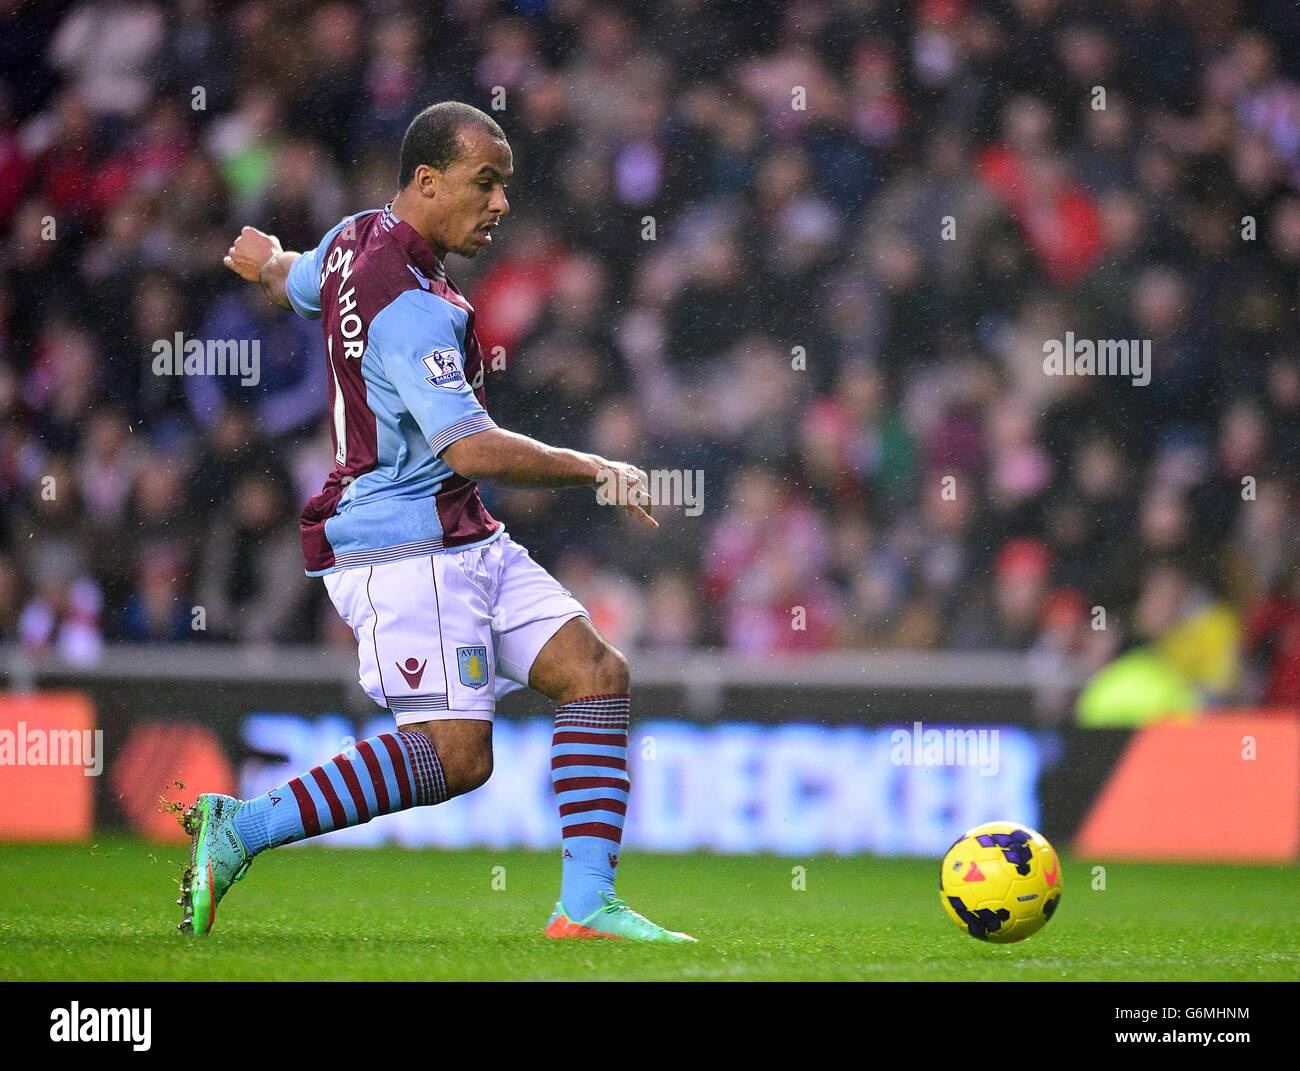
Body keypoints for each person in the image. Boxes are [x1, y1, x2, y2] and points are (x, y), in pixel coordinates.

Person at [178, 102, 693, 942]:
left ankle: (587, 905)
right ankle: (242, 825)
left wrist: (268, 260)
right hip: (401, 540)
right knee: (458, 755)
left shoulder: (354, 239)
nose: (500, 204)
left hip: (461, 531)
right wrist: (594, 467)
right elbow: (472, 449)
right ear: (426, 181)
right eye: (484, 183)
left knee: (594, 672)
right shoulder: (411, 306)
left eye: (506, 187)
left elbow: (301, 280)